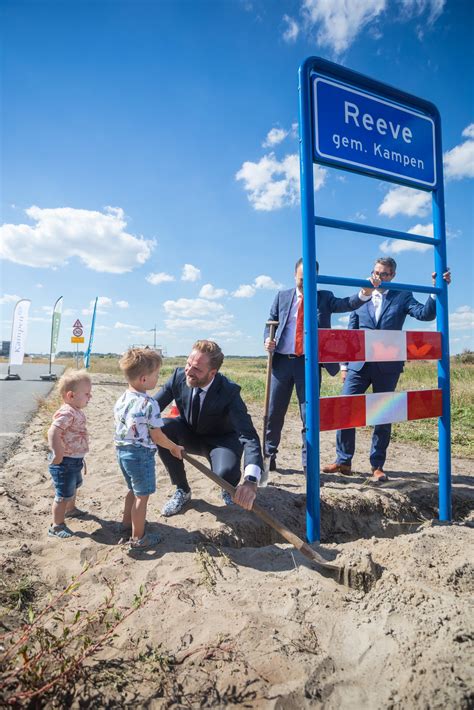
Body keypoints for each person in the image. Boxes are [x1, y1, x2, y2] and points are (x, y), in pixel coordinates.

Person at [323, 256, 451, 483]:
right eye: (375, 273)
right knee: (346, 408)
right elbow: (351, 332)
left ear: (392, 276)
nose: (378, 278)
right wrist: (344, 365)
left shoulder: (402, 296)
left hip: (387, 366)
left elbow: (425, 314)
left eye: (383, 274)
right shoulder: (361, 295)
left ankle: (377, 465)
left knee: (383, 413)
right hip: (358, 365)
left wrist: (435, 291)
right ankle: (343, 460)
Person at [263, 257, 376, 475]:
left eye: (311, 279)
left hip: (308, 366)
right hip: (281, 364)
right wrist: (267, 340)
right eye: (302, 278)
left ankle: (308, 465)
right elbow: (270, 322)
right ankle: (269, 457)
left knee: (309, 415)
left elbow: (346, 304)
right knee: (274, 413)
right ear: (294, 275)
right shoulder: (282, 296)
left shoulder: (324, 297)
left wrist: (365, 293)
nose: (306, 282)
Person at [154, 339, 263, 516]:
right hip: (189, 433)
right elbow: (152, 409)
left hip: (222, 441)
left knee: (225, 473)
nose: (189, 371)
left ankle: (227, 487)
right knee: (164, 427)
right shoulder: (178, 377)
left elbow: (249, 436)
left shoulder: (229, 392)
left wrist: (251, 480)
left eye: (197, 369)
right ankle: (183, 490)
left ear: (213, 373)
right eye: (188, 364)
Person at [114, 348, 184, 550]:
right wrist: (173, 447)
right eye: (156, 375)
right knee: (141, 497)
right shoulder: (149, 403)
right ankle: (138, 537)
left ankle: (126, 523)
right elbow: (157, 435)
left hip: (122, 452)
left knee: (132, 490)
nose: (158, 378)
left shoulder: (123, 398)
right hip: (140, 455)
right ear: (144, 379)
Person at [47, 370, 92, 539]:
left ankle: (71, 510)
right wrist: (58, 453)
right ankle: (57, 525)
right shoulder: (67, 412)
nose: (90, 397)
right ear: (71, 395)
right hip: (64, 461)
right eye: (87, 394)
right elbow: (53, 431)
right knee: (63, 494)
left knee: (73, 487)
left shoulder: (75, 410)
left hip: (75, 460)